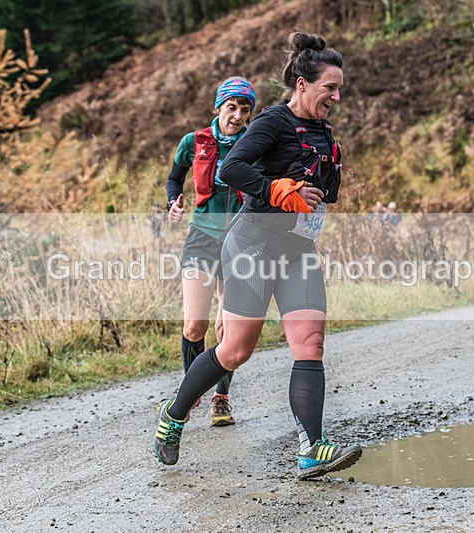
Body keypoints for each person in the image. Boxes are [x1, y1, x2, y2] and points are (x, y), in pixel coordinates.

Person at [153, 31, 362, 479]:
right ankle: (174, 414)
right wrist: (276, 189)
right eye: (330, 87)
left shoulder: (325, 133)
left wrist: (318, 185)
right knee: (234, 350)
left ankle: (312, 449)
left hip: (298, 250)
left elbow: (321, 195)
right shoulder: (272, 122)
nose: (337, 97)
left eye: (339, 88)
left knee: (310, 343)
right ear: (302, 84)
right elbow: (231, 168)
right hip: (252, 245)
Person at [164, 76, 257, 426]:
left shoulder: (254, 142)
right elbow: (174, 178)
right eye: (231, 107)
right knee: (194, 324)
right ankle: (191, 393)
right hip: (202, 237)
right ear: (218, 108)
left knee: (225, 330)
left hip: (240, 241)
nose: (237, 116)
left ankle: (221, 399)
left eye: (244, 109)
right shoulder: (194, 141)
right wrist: (173, 202)